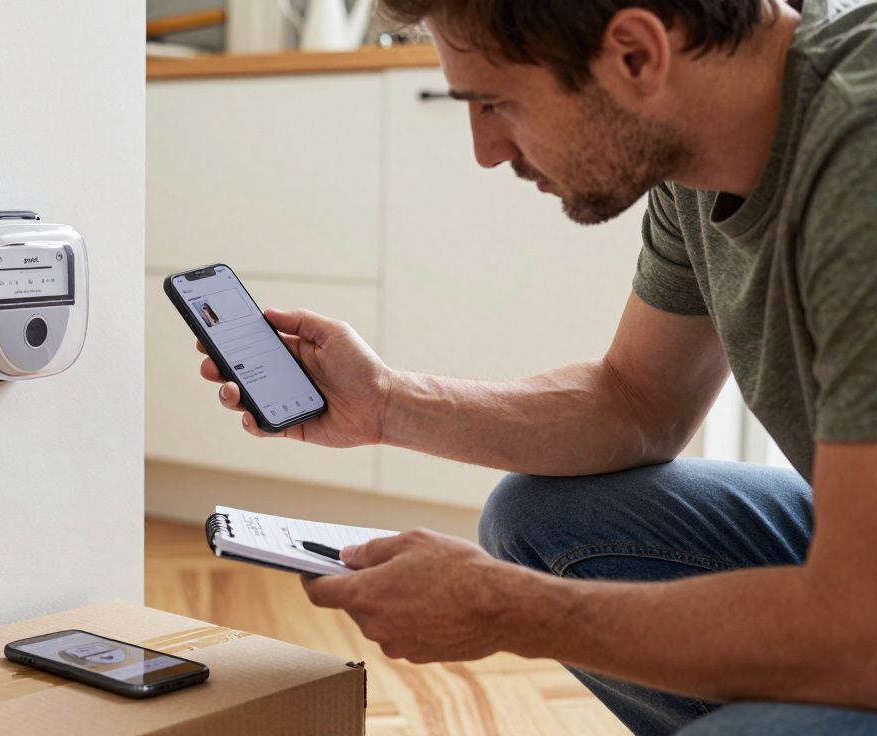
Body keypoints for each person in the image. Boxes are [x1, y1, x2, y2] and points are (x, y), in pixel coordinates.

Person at [190, 0, 877, 733]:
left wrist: (504, 609)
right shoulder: (701, 158)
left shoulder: (857, 162)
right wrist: (386, 403)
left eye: (496, 102)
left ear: (636, 56)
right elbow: (637, 402)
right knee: (549, 520)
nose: (486, 150)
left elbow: (857, 631)